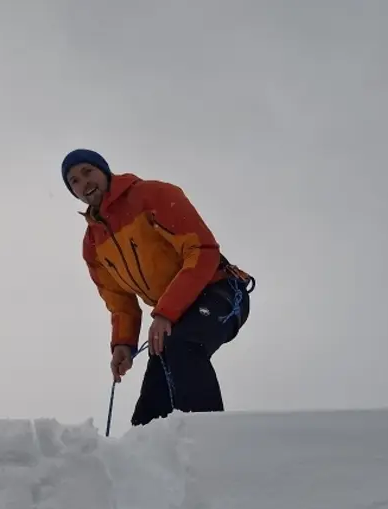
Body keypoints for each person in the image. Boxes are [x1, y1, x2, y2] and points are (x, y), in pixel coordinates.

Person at [62, 148, 256, 427]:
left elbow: (202, 250)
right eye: (74, 181)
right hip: (173, 315)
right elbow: (120, 302)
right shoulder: (92, 245)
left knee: (182, 346)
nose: (84, 182)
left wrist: (165, 312)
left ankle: (211, 443)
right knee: (154, 399)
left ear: (103, 171)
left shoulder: (151, 195)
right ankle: (146, 457)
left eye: (87, 172)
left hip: (218, 290)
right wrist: (123, 344)